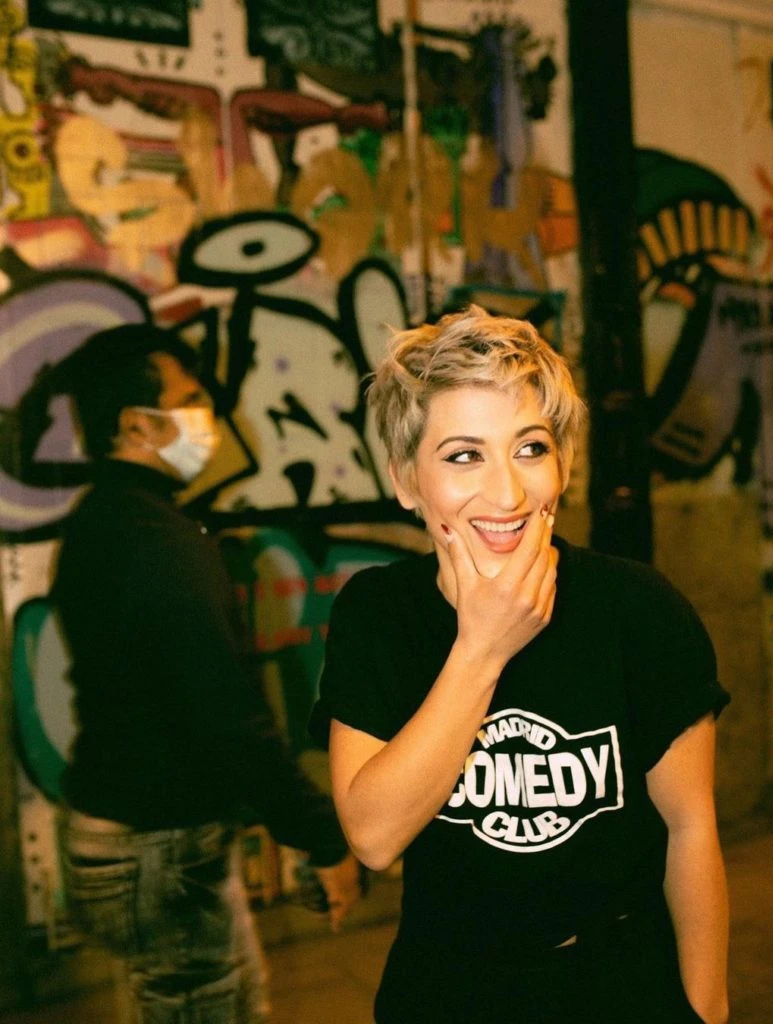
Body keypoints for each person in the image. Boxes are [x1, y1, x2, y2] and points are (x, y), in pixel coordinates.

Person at [310, 306, 730, 1024]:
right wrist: (481, 648)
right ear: (407, 481)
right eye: (463, 455)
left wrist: (706, 1009)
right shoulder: (379, 613)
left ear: (562, 464)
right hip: (449, 987)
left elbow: (690, 828)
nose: (506, 494)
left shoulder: (638, 608)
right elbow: (374, 837)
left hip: (619, 982)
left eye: (530, 448)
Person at [52, 323, 361, 1024]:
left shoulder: (104, 519)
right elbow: (226, 716)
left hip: (129, 835)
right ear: (137, 424)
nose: (209, 417)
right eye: (189, 400)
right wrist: (320, 835)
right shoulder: (157, 542)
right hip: (156, 848)